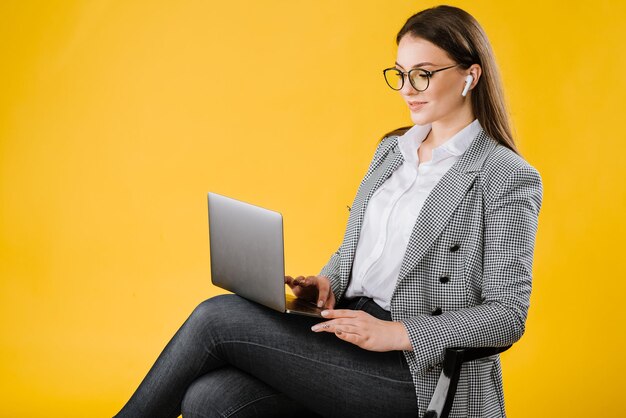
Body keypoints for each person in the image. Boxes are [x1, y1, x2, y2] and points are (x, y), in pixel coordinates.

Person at [114, 5, 543, 418]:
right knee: (210, 398)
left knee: (215, 318)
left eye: (423, 75)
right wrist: (326, 284)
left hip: (418, 369)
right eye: (400, 74)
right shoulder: (392, 150)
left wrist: (398, 333)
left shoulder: (506, 175)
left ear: (471, 75)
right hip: (347, 328)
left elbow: (506, 315)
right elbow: (359, 249)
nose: (407, 89)